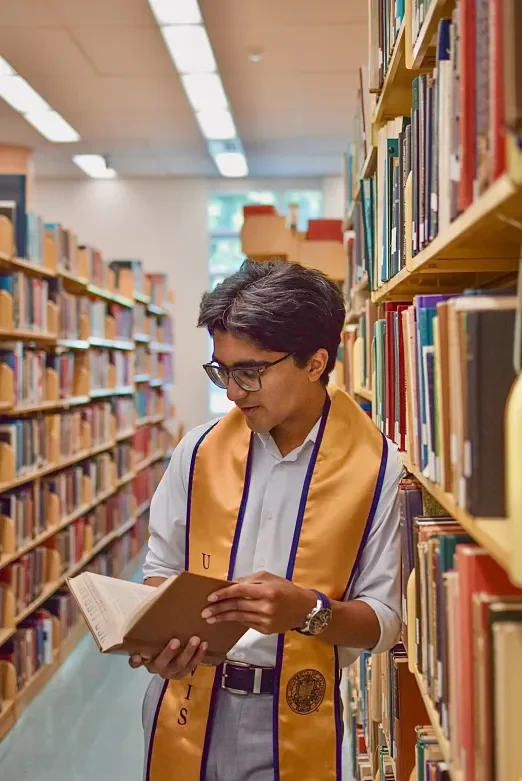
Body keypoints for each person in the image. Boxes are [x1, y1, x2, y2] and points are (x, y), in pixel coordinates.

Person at [132, 259, 403, 781]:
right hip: (184, 699)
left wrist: (308, 612)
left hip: (294, 708)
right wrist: (161, 637)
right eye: (221, 370)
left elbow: (384, 620)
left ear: (315, 362)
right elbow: (161, 566)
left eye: (250, 371)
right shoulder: (198, 452)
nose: (232, 392)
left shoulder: (379, 468)